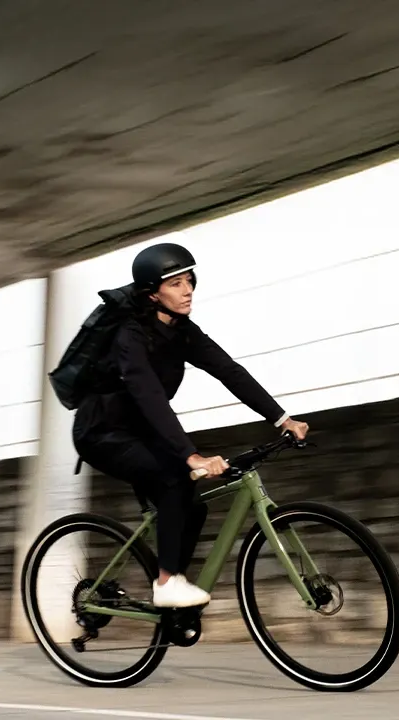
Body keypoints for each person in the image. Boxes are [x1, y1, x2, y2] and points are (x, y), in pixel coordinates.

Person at [70, 242, 309, 608]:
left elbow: (228, 371)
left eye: (189, 281)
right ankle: (167, 583)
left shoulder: (182, 330)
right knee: (174, 478)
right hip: (103, 433)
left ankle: (173, 589)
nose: (188, 290)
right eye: (176, 284)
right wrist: (191, 455)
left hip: (143, 429)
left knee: (193, 505)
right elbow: (148, 394)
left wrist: (282, 418)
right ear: (153, 293)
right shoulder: (129, 335)